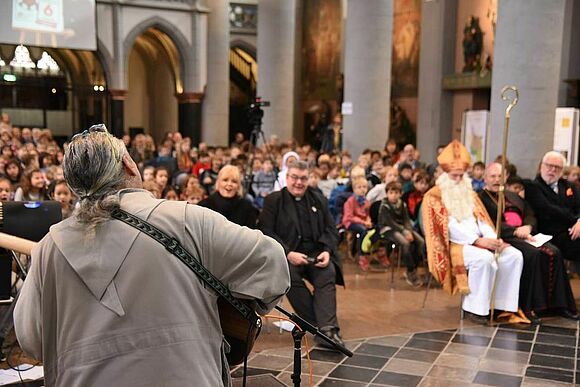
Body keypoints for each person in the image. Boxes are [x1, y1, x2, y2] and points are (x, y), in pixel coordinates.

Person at [14, 124, 290, 386]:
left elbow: (32, 338)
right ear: (127, 165)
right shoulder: (185, 220)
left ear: (75, 184)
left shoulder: (49, 248)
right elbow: (271, 265)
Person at [422, 141, 526, 323]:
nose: (458, 180)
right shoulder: (434, 196)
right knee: (484, 259)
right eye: (454, 176)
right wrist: (477, 241)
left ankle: (501, 305)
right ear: (445, 174)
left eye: (461, 175)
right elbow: (446, 227)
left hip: (480, 240)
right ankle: (475, 309)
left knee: (514, 255)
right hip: (455, 244)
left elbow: (482, 219)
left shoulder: (470, 193)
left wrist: (493, 239)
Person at [258, 160, 344, 348]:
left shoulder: (318, 198)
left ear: (309, 179)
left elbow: (331, 228)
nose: (299, 182)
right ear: (287, 178)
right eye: (295, 177)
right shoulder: (274, 200)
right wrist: (288, 253)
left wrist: (327, 251)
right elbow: (266, 231)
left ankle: (327, 328)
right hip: (287, 255)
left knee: (328, 272)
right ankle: (322, 328)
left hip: (315, 253)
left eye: (303, 178)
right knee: (288, 276)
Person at [479, 163, 577, 321]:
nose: (497, 180)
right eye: (493, 176)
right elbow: (488, 222)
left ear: (506, 177)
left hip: (526, 234)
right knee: (533, 255)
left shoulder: (512, 195)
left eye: (500, 176)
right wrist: (516, 231)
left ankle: (560, 306)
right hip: (506, 237)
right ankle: (529, 307)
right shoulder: (480, 199)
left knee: (555, 252)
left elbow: (530, 213)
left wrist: (528, 226)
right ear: (485, 178)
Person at [524, 151, 580, 262]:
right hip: (549, 233)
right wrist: (574, 219)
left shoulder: (569, 186)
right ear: (541, 166)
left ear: (562, 170)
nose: (553, 170)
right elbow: (548, 209)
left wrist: (579, 221)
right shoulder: (533, 186)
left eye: (557, 167)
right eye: (549, 166)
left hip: (573, 230)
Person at [377, 181, 425, 287]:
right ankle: (411, 271)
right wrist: (404, 231)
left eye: (396, 193)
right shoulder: (384, 206)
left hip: (403, 228)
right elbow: (390, 222)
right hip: (388, 229)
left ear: (400, 194)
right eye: (391, 193)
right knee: (405, 243)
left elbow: (406, 220)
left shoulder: (402, 204)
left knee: (421, 242)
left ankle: (413, 267)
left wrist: (408, 230)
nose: (393, 195)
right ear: (387, 193)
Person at [342, 177, 373, 271]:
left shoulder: (366, 201)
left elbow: (368, 214)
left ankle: (370, 251)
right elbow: (349, 216)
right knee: (363, 230)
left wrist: (368, 221)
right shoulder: (350, 201)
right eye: (359, 187)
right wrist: (363, 222)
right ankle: (361, 255)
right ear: (354, 189)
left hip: (362, 222)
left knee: (374, 229)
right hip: (350, 222)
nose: (362, 189)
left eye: (364, 187)